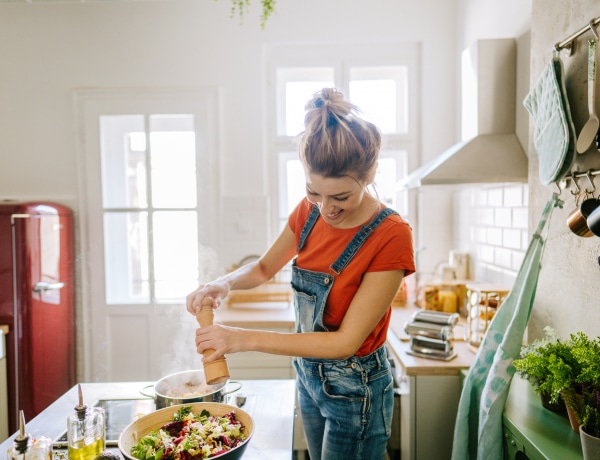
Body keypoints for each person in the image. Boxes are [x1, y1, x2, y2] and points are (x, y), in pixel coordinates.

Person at [186, 87, 415, 460]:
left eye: (340, 197)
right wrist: (222, 283)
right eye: (314, 192)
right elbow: (262, 268)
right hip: (309, 381)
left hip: (356, 391)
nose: (326, 209)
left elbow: (344, 343)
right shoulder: (307, 213)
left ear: (371, 172)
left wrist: (241, 339)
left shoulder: (390, 235)